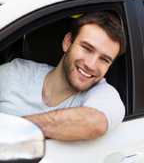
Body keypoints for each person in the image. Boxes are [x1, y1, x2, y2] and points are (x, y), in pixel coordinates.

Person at [0, 11, 127, 140]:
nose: (91, 65)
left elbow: (97, 122)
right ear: (67, 42)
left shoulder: (105, 94)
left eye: (104, 59)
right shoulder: (13, 72)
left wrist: (15, 129)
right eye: (87, 48)